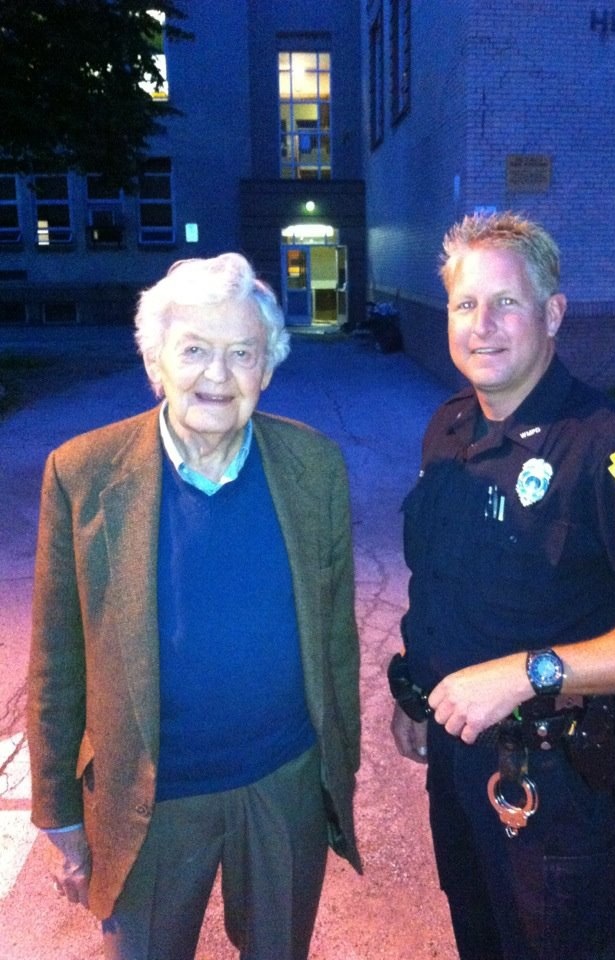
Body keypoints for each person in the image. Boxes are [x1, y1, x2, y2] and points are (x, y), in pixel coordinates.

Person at [388, 212, 615, 960]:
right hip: (457, 758)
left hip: (555, 781)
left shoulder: (608, 446)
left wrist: (525, 672)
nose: (482, 325)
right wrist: (414, 692)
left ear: (552, 314)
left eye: (505, 302)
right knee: (481, 939)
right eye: (464, 305)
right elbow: (442, 584)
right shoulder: (447, 428)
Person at [27, 252, 361, 960]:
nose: (218, 374)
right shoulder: (82, 473)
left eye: (242, 352)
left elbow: (335, 642)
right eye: (195, 351)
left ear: (266, 368)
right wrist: (57, 812)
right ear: (156, 365)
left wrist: (339, 775)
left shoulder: (315, 466)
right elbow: (56, 655)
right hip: (147, 795)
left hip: (282, 781)